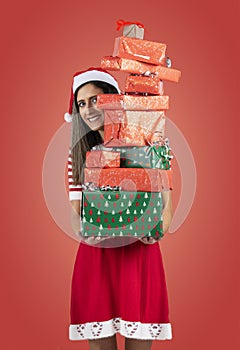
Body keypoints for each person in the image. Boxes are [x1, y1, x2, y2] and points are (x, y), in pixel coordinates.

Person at [65, 67, 173, 350]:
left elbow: (166, 212)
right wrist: (87, 232)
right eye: (81, 103)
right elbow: (76, 216)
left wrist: (155, 229)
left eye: (94, 100)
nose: (88, 110)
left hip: (140, 258)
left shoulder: (148, 143)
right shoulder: (77, 153)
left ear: (113, 100)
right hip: (97, 259)